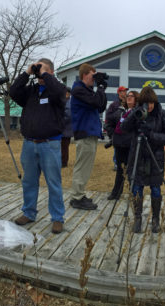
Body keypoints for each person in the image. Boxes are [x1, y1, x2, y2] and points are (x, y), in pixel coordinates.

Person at [9, 58, 68, 234]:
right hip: (29, 144)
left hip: (50, 144)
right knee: (29, 181)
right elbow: (13, 92)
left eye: (42, 69)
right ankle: (28, 212)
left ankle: (57, 218)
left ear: (51, 72)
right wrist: (27, 73)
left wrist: (44, 74)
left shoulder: (57, 91)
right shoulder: (31, 91)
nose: (38, 72)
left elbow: (59, 90)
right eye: (37, 69)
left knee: (53, 182)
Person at [121, 87, 165, 233]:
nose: (149, 106)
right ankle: (137, 218)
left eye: (151, 103)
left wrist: (151, 135)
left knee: (156, 189)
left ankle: (155, 219)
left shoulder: (161, 115)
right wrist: (134, 114)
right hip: (137, 157)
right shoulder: (136, 112)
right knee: (136, 188)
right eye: (146, 103)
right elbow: (123, 127)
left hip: (154, 158)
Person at [68, 63, 107, 211]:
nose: (94, 79)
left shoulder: (87, 90)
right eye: (93, 75)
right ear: (85, 75)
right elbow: (96, 102)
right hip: (85, 133)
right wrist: (101, 88)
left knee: (85, 166)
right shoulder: (78, 89)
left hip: (89, 133)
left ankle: (79, 194)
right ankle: (77, 197)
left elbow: (101, 106)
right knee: (82, 166)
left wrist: (101, 88)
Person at [106, 90, 138, 200]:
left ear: (136, 99)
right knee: (120, 170)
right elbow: (109, 123)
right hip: (119, 145)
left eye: (132, 96)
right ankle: (116, 193)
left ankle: (133, 194)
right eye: (128, 96)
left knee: (131, 171)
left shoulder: (137, 112)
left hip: (131, 145)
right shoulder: (120, 111)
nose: (129, 97)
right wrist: (113, 135)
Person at [105, 86, 128, 169]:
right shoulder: (114, 105)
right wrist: (111, 132)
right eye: (123, 91)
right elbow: (108, 118)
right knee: (117, 148)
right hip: (117, 130)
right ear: (119, 93)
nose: (125, 93)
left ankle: (126, 163)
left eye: (126, 91)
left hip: (126, 130)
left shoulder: (129, 103)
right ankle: (116, 163)